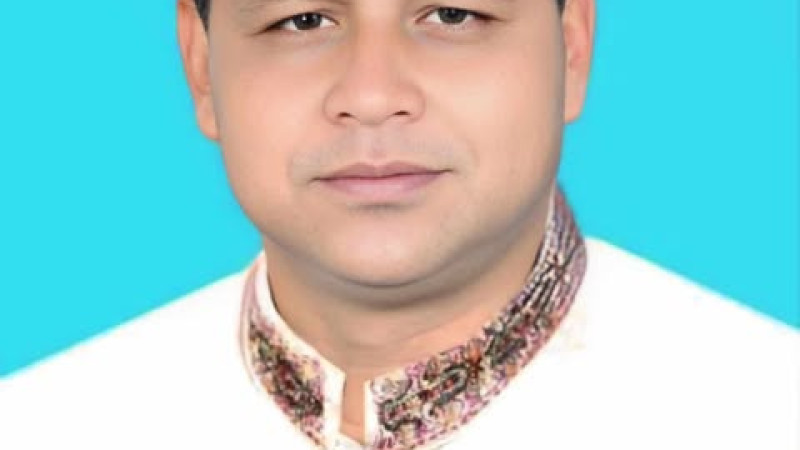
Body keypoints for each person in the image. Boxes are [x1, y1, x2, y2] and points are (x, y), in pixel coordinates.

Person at [1, 0, 796, 448]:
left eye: (451, 14)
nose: (373, 95)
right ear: (202, 66)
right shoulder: (43, 426)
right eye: (303, 20)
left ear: (572, 48)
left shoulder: (768, 410)